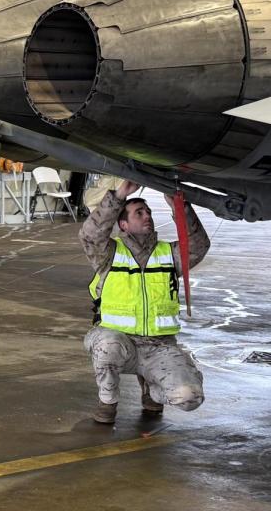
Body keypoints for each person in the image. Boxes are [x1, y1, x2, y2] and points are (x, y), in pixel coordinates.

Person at [79, 180, 209, 424]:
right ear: (123, 225)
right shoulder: (109, 254)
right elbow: (90, 235)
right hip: (121, 342)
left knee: (190, 397)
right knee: (107, 345)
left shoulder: (168, 254)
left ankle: (154, 392)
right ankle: (107, 403)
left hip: (159, 346)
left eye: (148, 211)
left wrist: (180, 208)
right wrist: (118, 196)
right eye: (139, 212)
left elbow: (199, 246)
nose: (146, 215)